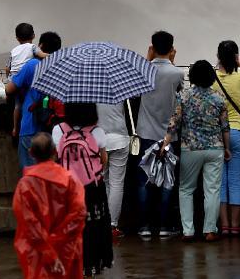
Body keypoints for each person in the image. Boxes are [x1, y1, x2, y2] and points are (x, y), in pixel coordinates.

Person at [160, 60, 231, 242]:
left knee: (186, 189)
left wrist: (165, 144)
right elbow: (225, 127)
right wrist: (227, 148)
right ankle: (209, 230)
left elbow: (174, 123)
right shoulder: (219, 98)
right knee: (212, 190)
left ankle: (188, 231)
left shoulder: (184, 96)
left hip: (190, 148)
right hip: (215, 148)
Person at [13, 132, 87, 279]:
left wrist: (48, 250)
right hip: (68, 249)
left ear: (31, 153)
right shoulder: (71, 181)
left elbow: (30, 224)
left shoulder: (25, 185)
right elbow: (78, 215)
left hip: (37, 252)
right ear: (55, 151)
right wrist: (57, 245)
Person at [53, 103, 113, 276]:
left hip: (67, 188)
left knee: (69, 227)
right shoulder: (97, 132)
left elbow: (57, 157)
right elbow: (103, 160)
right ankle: (92, 265)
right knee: (93, 227)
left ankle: (69, 264)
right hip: (92, 189)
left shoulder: (58, 130)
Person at [135, 30, 184, 238]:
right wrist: (171, 62)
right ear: (172, 49)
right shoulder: (178, 73)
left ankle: (145, 225)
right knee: (168, 180)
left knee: (144, 180)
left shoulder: (142, 70)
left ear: (152, 47)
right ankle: (165, 226)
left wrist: (148, 59)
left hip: (146, 131)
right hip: (169, 135)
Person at [213, 39, 240, 235]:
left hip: (218, 134)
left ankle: (223, 225)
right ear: (236, 56)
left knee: (220, 181)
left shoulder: (213, 77)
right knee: (236, 180)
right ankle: (235, 225)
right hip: (239, 131)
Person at [5, 31, 62, 170]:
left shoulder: (32, 65)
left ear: (40, 45)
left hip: (31, 125)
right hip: (54, 129)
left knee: (31, 174)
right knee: (51, 174)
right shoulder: (61, 66)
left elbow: (9, 90)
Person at [6, 23, 47, 140]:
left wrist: (9, 78)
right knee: (27, 101)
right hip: (26, 78)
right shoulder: (33, 47)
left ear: (17, 38)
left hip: (14, 79)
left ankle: (15, 128)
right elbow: (42, 55)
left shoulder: (13, 50)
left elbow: (7, 68)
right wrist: (54, 56)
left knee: (17, 106)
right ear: (33, 35)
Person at [97, 103, 130, 240]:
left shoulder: (90, 87)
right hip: (120, 137)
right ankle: (112, 224)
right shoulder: (119, 85)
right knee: (116, 183)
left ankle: (102, 220)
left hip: (98, 138)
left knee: (103, 181)